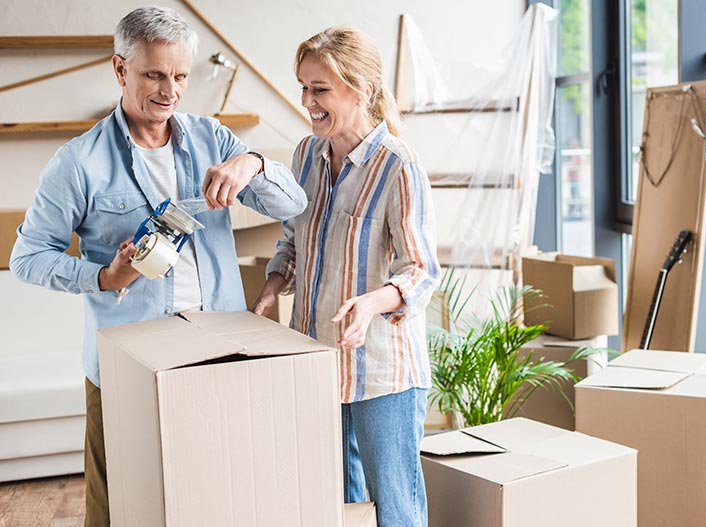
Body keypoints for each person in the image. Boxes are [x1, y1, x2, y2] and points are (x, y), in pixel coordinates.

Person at [9, 7, 306, 527]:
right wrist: (103, 277)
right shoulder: (78, 162)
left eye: (181, 76)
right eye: (154, 74)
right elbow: (27, 259)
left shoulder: (213, 138)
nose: (170, 90)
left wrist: (253, 162)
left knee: (219, 494)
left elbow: (291, 204)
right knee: (120, 507)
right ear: (121, 69)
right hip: (129, 360)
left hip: (218, 349)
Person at [252, 26, 439, 526]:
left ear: (362, 91)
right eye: (304, 87)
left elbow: (421, 271)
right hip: (315, 360)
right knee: (334, 504)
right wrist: (274, 282)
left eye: (321, 90)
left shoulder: (399, 166)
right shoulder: (305, 156)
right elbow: (293, 240)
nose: (308, 102)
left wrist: (372, 302)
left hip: (381, 372)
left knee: (394, 511)